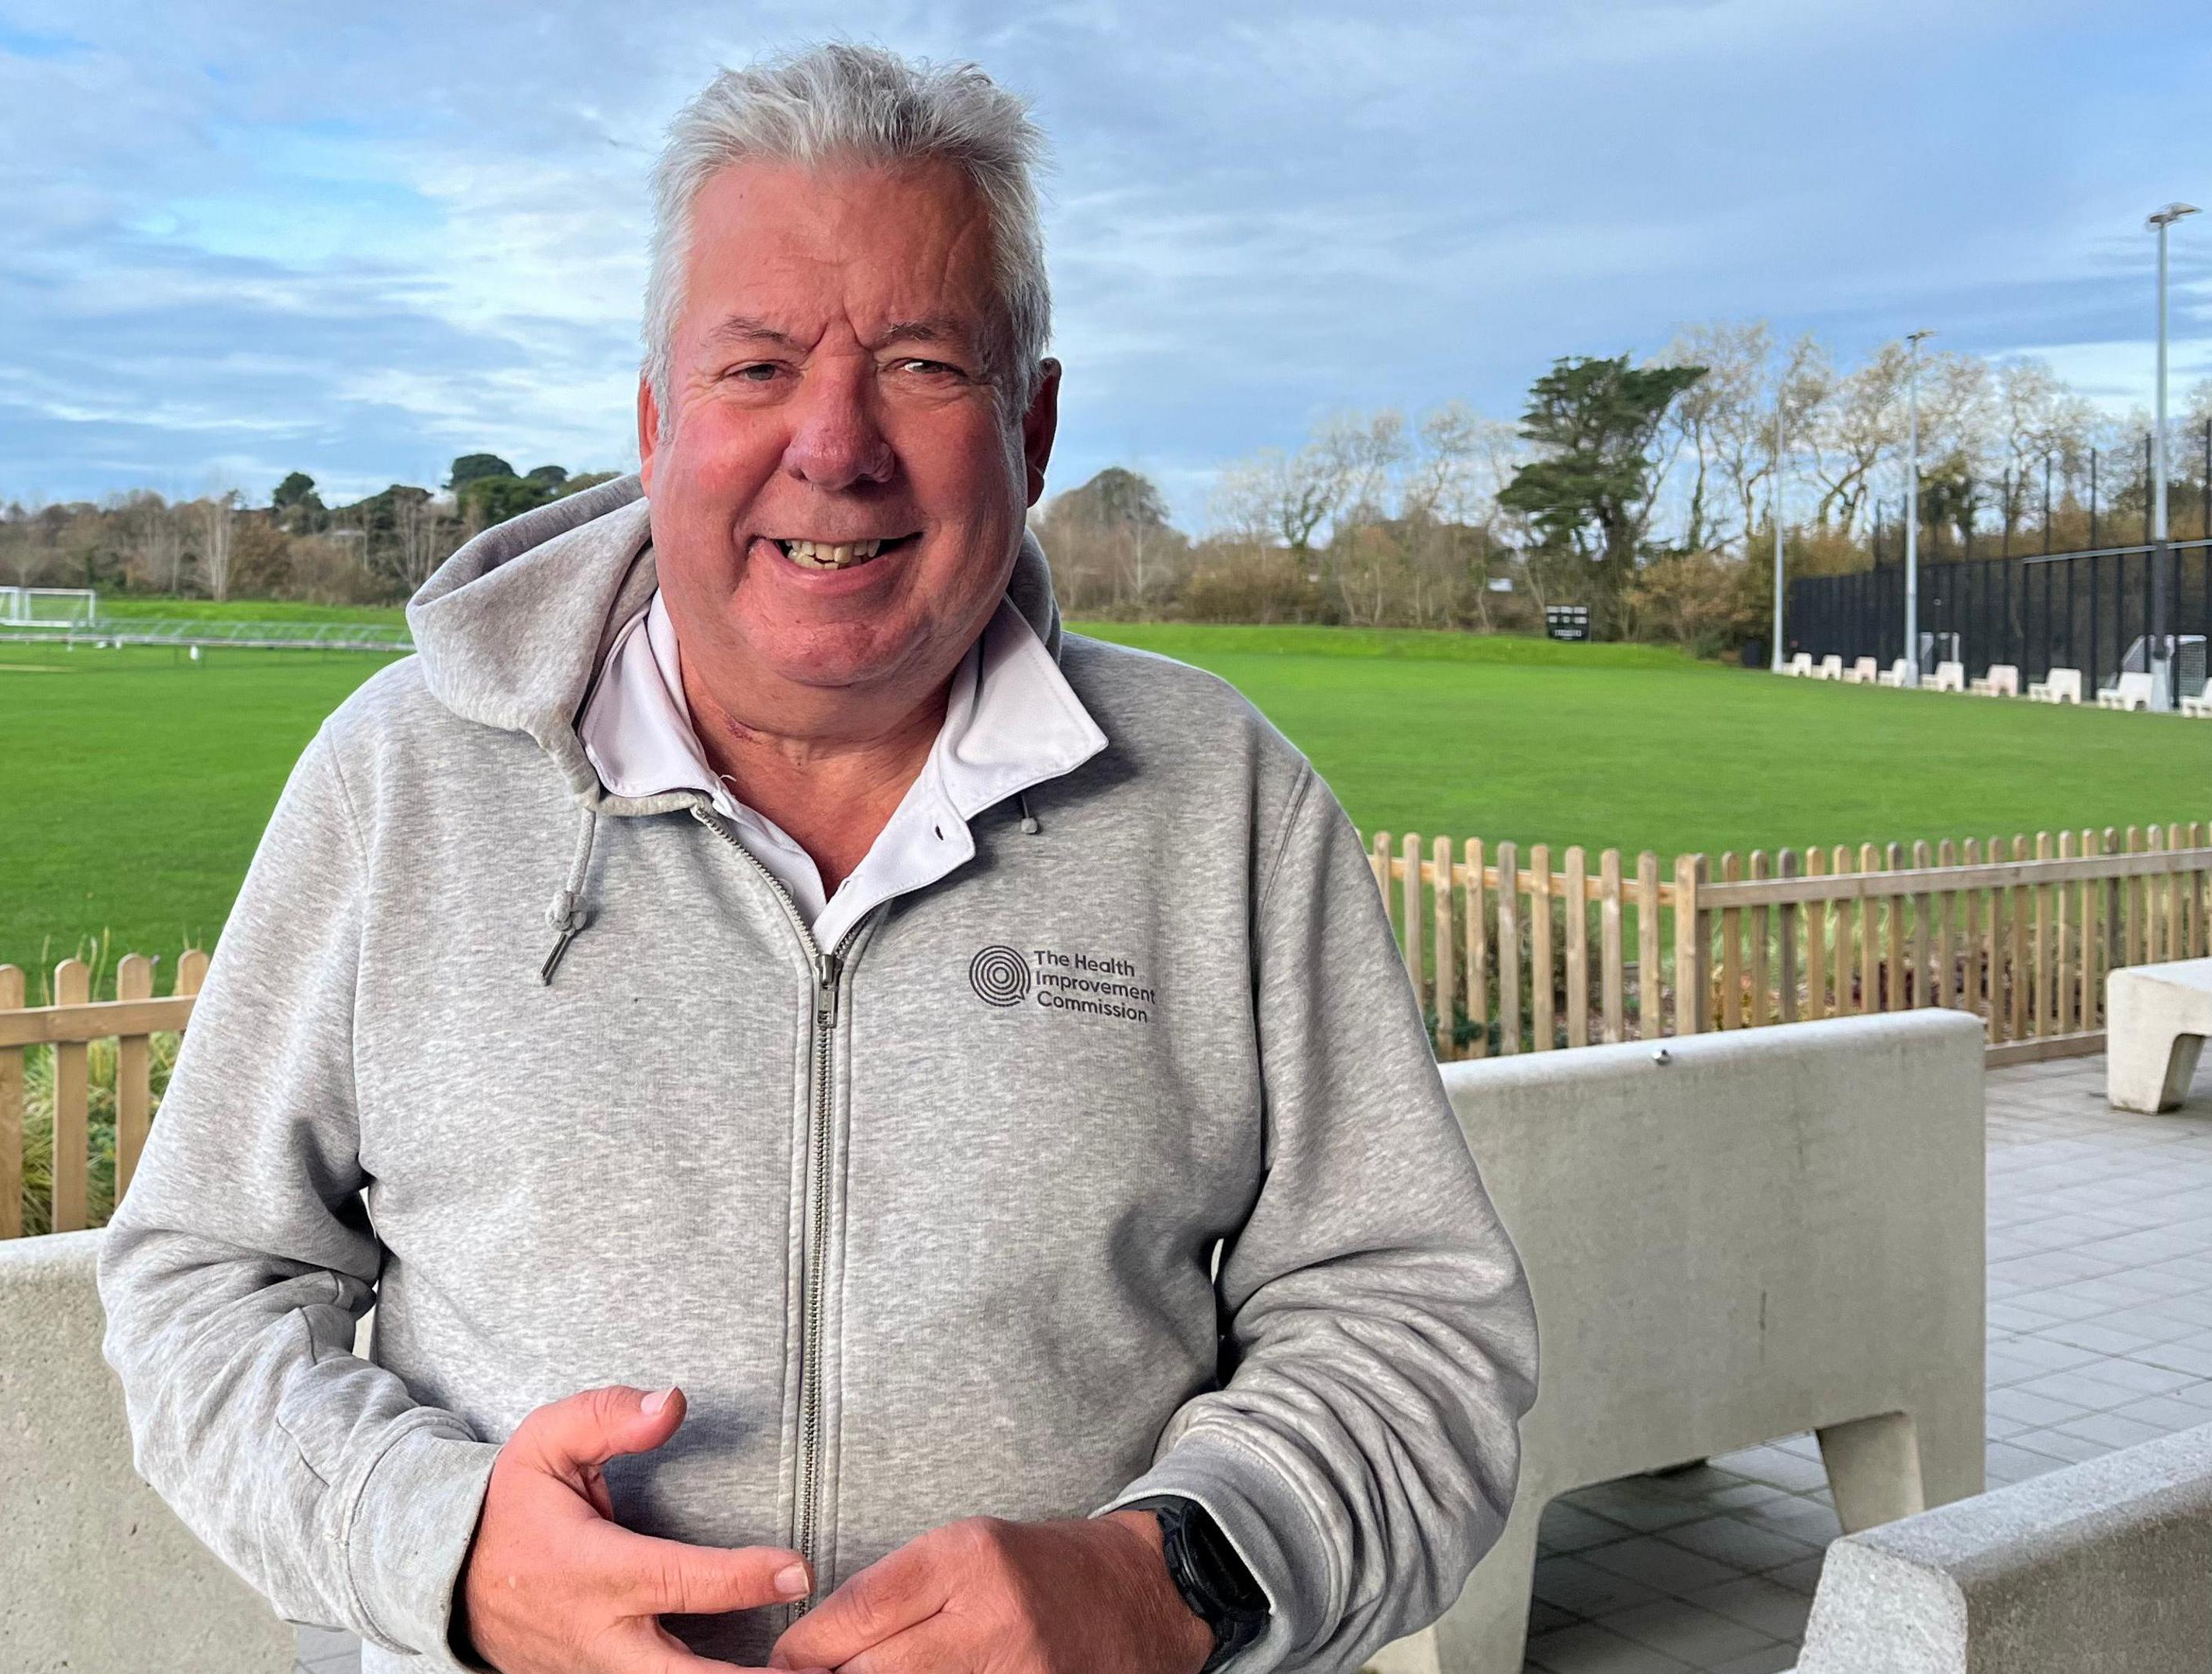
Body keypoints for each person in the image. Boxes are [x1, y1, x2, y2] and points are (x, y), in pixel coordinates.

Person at [99, 42, 1536, 1674]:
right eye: (757, 366)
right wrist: (448, 1550)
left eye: (923, 363)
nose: (836, 445)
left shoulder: (1227, 807)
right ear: (657, 419)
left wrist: (1170, 1583)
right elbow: (204, 1283)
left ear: (1035, 423)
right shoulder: (403, 778)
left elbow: (1417, 1327)